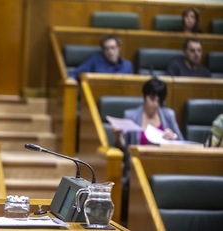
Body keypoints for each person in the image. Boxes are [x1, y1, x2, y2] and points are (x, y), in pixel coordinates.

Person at [112, 77, 184, 223]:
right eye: (152, 99)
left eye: (159, 100)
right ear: (144, 97)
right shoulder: (131, 116)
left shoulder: (168, 115)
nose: (155, 104)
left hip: (164, 168)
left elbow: (182, 144)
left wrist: (173, 137)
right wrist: (119, 137)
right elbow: (124, 150)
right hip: (137, 170)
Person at [69, 35, 134, 81]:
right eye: (106, 49)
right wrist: (71, 79)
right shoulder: (95, 61)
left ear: (119, 49)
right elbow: (75, 74)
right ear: (103, 51)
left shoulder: (127, 65)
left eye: (113, 48)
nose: (110, 52)